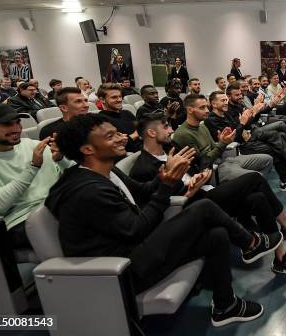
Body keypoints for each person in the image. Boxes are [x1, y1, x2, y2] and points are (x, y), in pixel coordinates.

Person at [47, 113, 274, 327]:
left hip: (134, 250)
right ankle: (252, 243)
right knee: (204, 207)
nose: (122, 137)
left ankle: (226, 306)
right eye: (110, 136)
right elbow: (135, 229)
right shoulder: (87, 191)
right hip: (121, 271)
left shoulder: (106, 171)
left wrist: (166, 173)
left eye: (117, 132)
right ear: (87, 148)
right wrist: (165, 186)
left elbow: (144, 190)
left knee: (217, 235)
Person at [131, 113, 286, 282]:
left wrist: (202, 171)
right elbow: (158, 205)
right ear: (151, 132)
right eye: (165, 127)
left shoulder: (172, 148)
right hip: (193, 208)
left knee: (257, 198)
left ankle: (281, 259)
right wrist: (189, 189)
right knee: (254, 179)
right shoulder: (143, 167)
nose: (171, 130)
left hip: (206, 191)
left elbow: (202, 162)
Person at [0, 104, 70, 248]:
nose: (16, 128)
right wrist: (33, 167)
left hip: (58, 204)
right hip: (20, 220)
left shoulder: (33, 145)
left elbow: (72, 176)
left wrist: (61, 160)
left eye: (17, 122)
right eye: (6, 124)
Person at [205, 91, 286, 192]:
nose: (226, 102)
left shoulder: (226, 113)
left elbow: (242, 127)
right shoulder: (212, 120)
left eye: (226, 100)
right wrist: (242, 124)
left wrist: (251, 116)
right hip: (235, 149)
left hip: (247, 140)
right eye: (222, 100)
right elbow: (234, 137)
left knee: (277, 142)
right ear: (214, 104)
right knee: (275, 148)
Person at [172, 94, 274, 183]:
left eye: (207, 107)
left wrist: (222, 141)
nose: (207, 111)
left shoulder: (202, 126)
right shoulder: (183, 134)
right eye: (202, 108)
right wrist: (223, 143)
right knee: (257, 177)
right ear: (190, 110)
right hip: (214, 169)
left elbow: (214, 148)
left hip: (224, 160)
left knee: (267, 159)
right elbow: (203, 163)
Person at [97, 83, 140, 152]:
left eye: (120, 96)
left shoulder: (127, 113)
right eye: (114, 97)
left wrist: (133, 136)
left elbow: (142, 130)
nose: (119, 100)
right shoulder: (101, 119)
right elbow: (118, 145)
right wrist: (135, 135)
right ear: (102, 100)